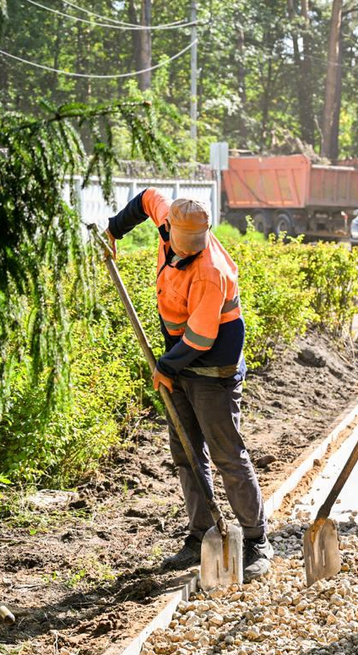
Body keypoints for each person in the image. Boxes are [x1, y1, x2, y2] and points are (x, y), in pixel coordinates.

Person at [105, 191, 273, 581]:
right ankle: (201, 534)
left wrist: (165, 367)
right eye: (188, 243)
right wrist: (115, 230)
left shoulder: (210, 271)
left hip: (213, 368)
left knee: (227, 454)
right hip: (180, 361)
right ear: (170, 231)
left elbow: (200, 339)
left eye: (201, 242)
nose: (196, 248)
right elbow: (146, 198)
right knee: (184, 451)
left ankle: (255, 541)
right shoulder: (169, 221)